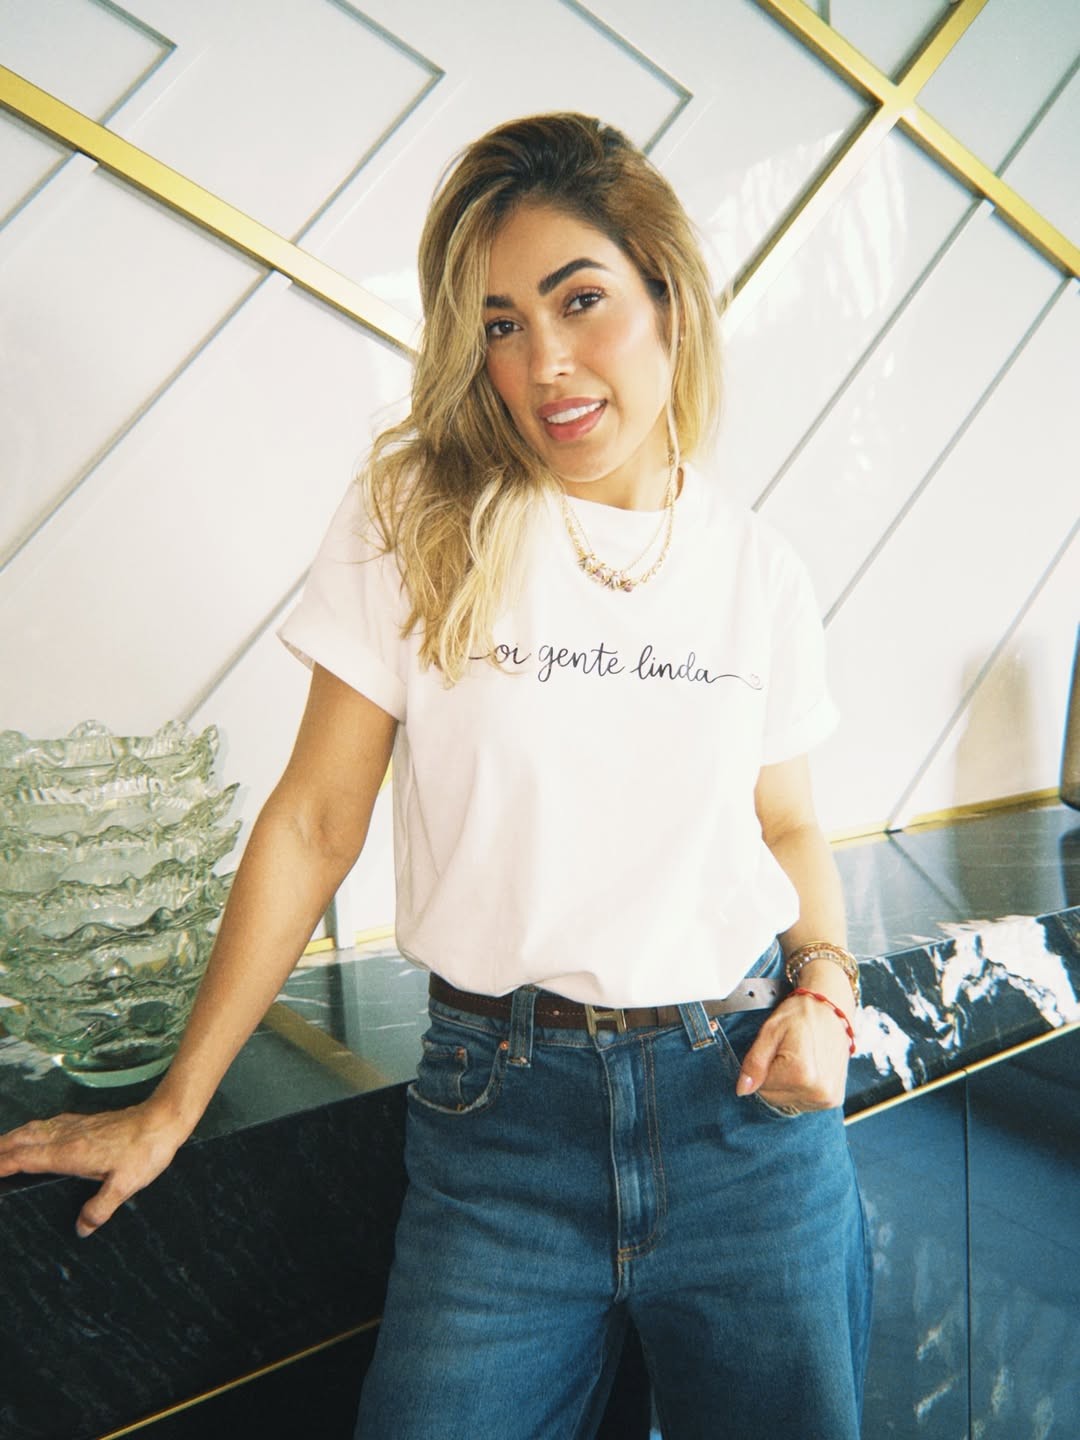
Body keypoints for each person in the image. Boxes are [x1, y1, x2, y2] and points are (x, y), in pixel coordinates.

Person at [0, 113, 871, 1438]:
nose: (544, 362)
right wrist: (172, 1107)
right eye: (501, 324)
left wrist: (828, 989)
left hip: (744, 1117)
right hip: (500, 1126)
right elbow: (313, 821)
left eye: (580, 300)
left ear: (667, 297)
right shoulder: (419, 521)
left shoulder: (760, 570)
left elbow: (790, 822)